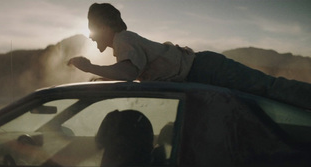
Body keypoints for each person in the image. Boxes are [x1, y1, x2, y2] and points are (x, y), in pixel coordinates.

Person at [68, 3, 311, 110]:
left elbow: (128, 73)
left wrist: (91, 67)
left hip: (205, 69)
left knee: (268, 88)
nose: (90, 37)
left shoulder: (124, 39)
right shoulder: (124, 44)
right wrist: (102, 79)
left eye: (93, 29)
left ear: (106, 26)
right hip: (203, 70)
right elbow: (127, 72)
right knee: (260, 96)